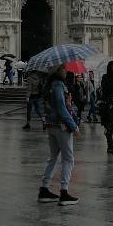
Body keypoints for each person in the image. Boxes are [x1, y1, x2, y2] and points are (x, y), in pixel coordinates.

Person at [38, 67, 79, 205]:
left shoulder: (47, 85)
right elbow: (62, 107)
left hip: (50, 125)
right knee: (68, 159)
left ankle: (44, 189)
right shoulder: (59, 85)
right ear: (57, 71)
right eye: (63, 68)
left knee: (53, 158)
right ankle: (64, 192)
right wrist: (74, 126)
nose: (66, 71)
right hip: (62, 126)